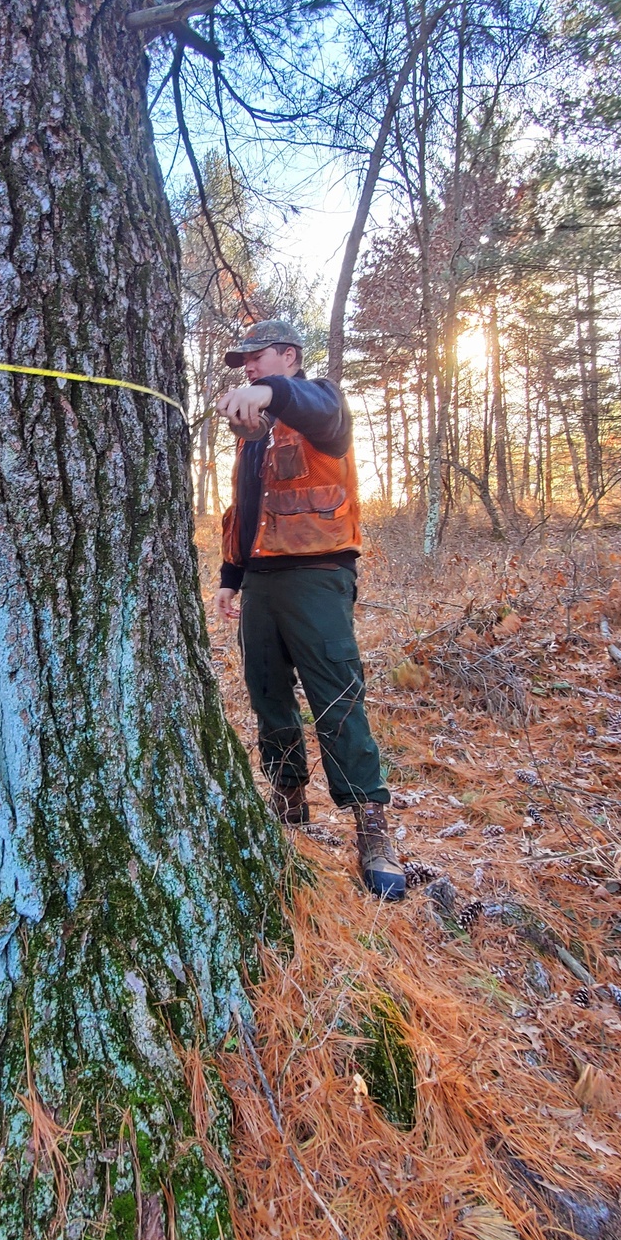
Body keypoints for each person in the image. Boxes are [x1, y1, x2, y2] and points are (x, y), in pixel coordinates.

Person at [214, 319, 405, 901]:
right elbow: (245, 508)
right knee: (267, 692)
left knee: (336, 696)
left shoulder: (323, 403)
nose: (247, 367)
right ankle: (288, 798)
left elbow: (316, 407)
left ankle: (372, 831)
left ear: (289, 357)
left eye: (257, 358)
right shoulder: (255, 433)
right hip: (262, 584)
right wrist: (231, 578)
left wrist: (270, 393)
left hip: (319, 576)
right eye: (242, 362)